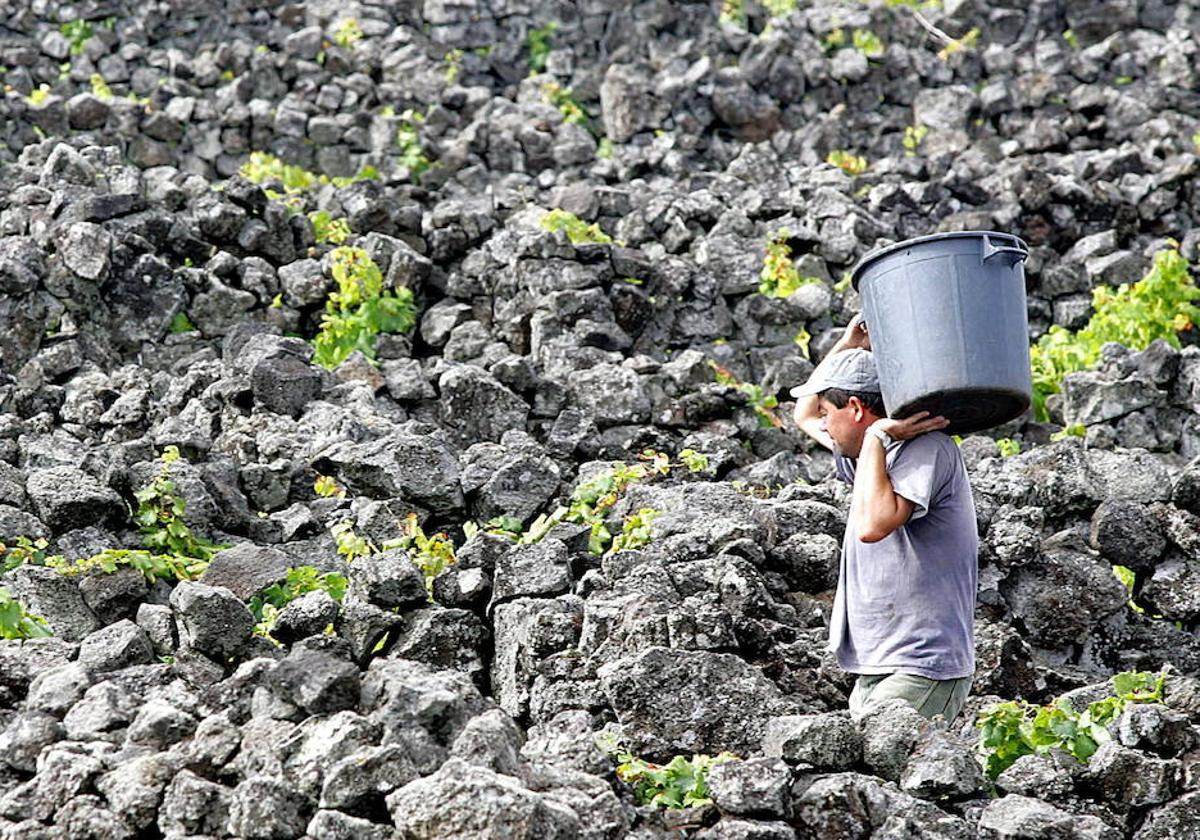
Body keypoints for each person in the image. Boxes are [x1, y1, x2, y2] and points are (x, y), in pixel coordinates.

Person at [791, 315, 978, 724]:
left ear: (856, 408)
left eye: (829, 411)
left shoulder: (925, 449)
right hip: (876, 663)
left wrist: (877, 438)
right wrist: (848, 345)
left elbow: (874, 525)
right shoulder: (864, 455)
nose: (821, 422)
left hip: (923, 661)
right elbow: (803, 415)